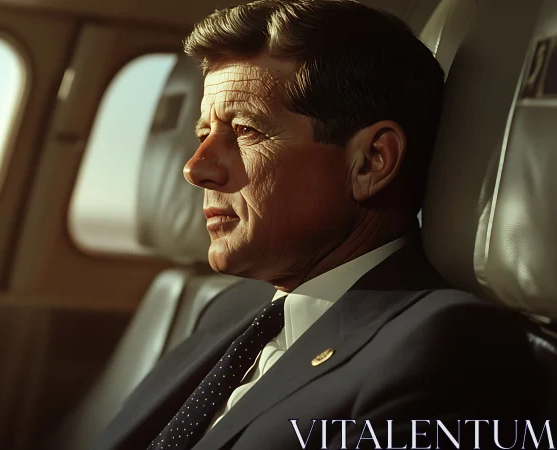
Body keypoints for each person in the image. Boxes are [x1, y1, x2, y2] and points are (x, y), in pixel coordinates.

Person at [93, 1, 546, 449]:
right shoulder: (231, 309)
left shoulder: (446, 350)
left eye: (246, 131)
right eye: (202, 135)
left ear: (371, 161)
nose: (196, 168)